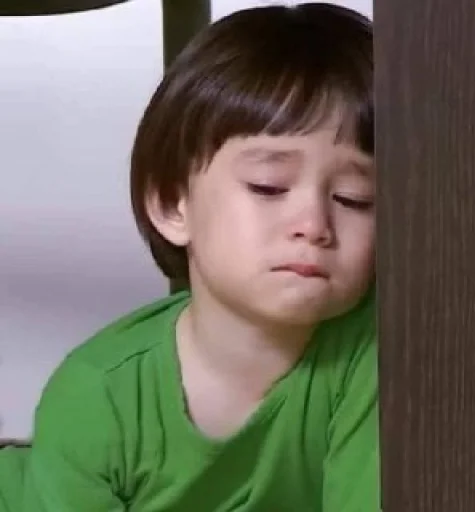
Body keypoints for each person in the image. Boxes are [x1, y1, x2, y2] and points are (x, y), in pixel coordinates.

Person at [0, 3, 379, 510]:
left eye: (355, 198)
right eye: (268, 187)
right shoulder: (97, 395)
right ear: (172, 205)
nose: (313, 225)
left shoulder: (378, 354)